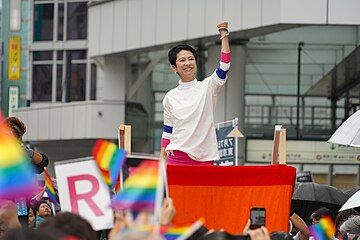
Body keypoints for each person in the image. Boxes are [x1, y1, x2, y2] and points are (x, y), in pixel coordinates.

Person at [160, 21, 231, 165]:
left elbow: (224, 66)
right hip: (177, 157)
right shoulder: (170, 97)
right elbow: (168, 129)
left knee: (206, 189)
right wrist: (162, 157)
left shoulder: (208, 87)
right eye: (182, 60)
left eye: (191, 59)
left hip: (204, 157)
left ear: (196, 63)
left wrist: (224, 34)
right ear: (174, 68)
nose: (187, 63)